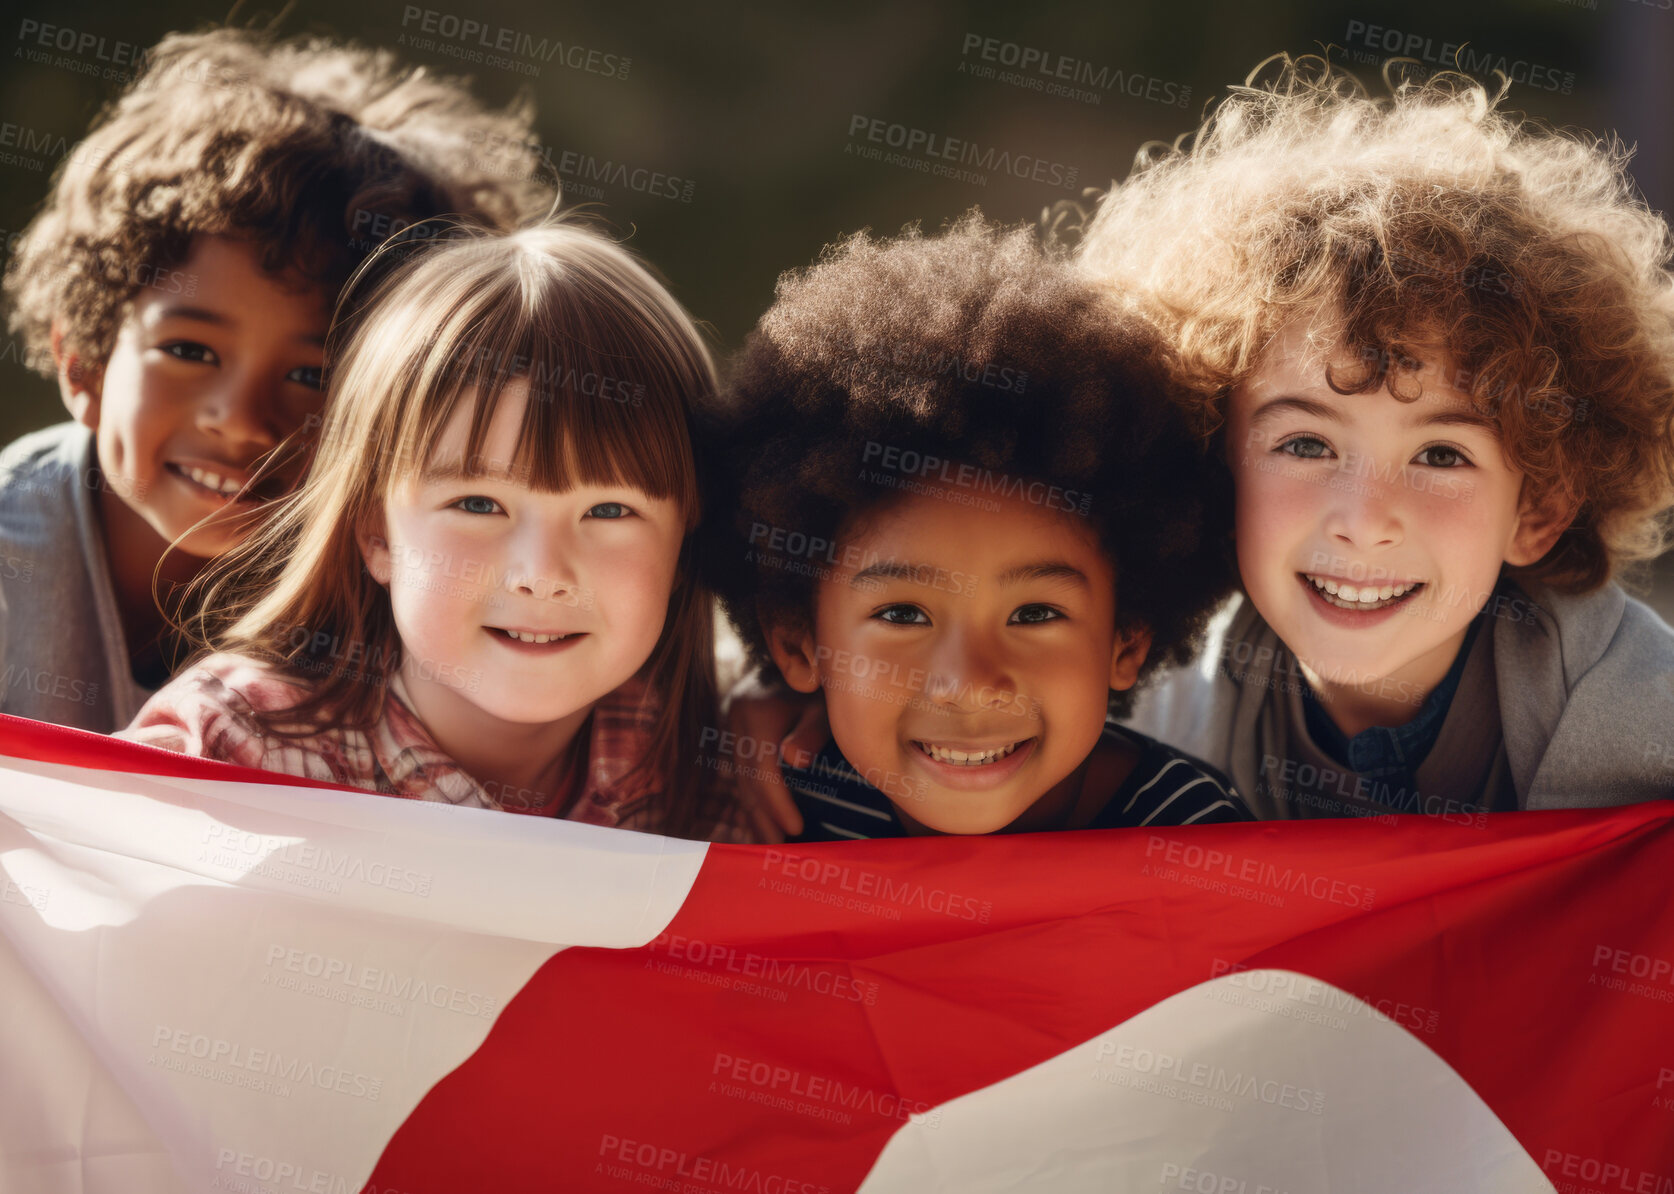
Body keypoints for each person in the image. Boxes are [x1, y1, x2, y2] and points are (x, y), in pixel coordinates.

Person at [1074, 55, 1674, 816]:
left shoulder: (1641, 714)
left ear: (1538, 511)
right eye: (1305, 445)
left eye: (1440, 455)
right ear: (1214, 473)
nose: (1362, 522)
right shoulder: (1166, 711)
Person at [0, 26, 551, 731]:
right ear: (84, 363)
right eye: (190, 351)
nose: (239, 418)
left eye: (310, 374)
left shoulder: (406, 587)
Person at [120, 221, 741, 841]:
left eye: (608, 511)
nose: (542, 575)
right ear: (377, 534)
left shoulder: (721, 766)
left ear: (685, 537)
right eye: (477, 503)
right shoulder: (226, 760)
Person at [696, 216, 1250, 839]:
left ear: (1127, 639)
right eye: (903, 615)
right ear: (800, 645)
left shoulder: (1192, 840)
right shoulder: (772, 812)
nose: (969, 683)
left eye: (1035, 614)